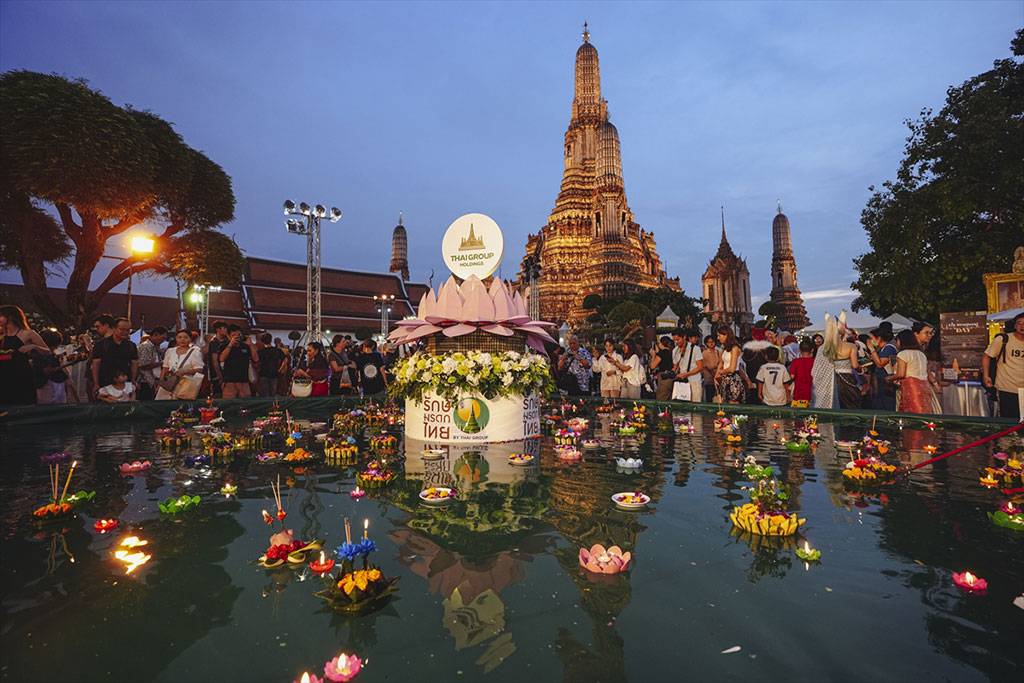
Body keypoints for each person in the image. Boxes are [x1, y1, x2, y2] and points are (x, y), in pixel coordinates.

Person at [0, 304, 50, 405]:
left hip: (20, 373)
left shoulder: (28, 333)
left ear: (10, 317)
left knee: (21, 401)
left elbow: (47, 351)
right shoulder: (2, 334)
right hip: (3, 373)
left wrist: (33, 347)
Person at [982, 312, 1024, 420]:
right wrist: (986, 376)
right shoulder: (1003, 339)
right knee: (1009, 422)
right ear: (1014, 325)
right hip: (1007, 388)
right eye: (1019, 323)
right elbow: (986, 356)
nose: (1022, 326)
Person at [90, 317, 138, 401]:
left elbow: (134, 363)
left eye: (128, 330)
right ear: (114, 328)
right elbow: (95, 365)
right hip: (105, 382)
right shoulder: (101, 345)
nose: (125, 332)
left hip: (124, 384)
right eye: (122, 329)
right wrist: (96, 383)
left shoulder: (131, 346)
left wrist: (133, 379)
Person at [893, 329, 939, 414]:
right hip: (924, 386)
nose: (896, 344)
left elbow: (901, 374)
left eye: (897, 341)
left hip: (911, 387)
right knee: (924, 410)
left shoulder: (902, 354)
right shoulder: (921, 354)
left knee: (913, 412)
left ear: (901, 341)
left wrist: (889, 378)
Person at [156, 330, 205, 400]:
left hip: (185, 386)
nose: (182, 339)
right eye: (179, 337)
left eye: (185, 337)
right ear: (176, 338)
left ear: (190, 339)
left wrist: (185, 371)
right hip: (169, 383)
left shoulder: (195, 351)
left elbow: (199, 369)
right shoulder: (170, 351)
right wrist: (160, 383)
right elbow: (165, 368)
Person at [35, 329, 72, 405]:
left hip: (51, 383)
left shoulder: (42, 354)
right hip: (49, 384)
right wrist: (65, 365)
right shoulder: (44, 355)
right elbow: (47, 370)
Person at [218, 324, 256, 398]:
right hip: (230, 381)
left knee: (246, 405)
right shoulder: (223, 345)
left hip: (244, 381)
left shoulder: (245, 346)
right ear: (229, 336)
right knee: (228, 405)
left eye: (238, 335)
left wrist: (251, 345)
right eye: (234, 335)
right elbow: (221, 359)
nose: (237, 337)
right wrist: (231, 344)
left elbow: (256, 359)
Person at [867, 327, 898, 411]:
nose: (869, 341)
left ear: (879, 338)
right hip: (881, 380)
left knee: (886, 404)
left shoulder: (889, 348)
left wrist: (871, 349)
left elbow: (880, 364)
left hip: (886, 380)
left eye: (871, 338)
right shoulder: (882, 349)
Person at [672, 328, 704, 402]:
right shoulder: (675, 350)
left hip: (694, 381)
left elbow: (700, 367)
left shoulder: (695, 349)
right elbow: (675, 367)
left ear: (684, 337)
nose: (676, 342)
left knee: (695, 405)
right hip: (682, 383)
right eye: (674, 340)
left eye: (678, 339)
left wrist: (686, 374)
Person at [136, 326, 167, 401]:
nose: (163, 341)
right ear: (155, 335)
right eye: (162, 338)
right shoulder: (146, 346)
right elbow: (143, 365)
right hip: (145, 381)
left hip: (153, 380)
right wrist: (161, 363)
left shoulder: (155, 347)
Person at [715, 326, 744, 404]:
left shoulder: (735, 348)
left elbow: (732, 368)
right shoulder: (724, 348)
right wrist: (716, 375)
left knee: (733, 403)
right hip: (725, 379)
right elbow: (721, 363)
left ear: (726, 335)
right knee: (724, 404)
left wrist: (721, 372)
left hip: (733, 379)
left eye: (719, 336)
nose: (718, 338)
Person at [256, 333, 286, 397]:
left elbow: (256, 362)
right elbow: (285, 359)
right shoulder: (277, 350)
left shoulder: (260, 352)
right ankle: (273, 406)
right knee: (273, 393)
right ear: (271, 340)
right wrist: (280, 368)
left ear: (262, 341)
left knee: (265, 394)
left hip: (263, 373)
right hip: (274, 373)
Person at [788, 339, 815, 408]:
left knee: (797, 416)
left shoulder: (795, 362)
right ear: (812, 350)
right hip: (812, 394)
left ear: (800, 350)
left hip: (798, 394)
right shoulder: (815, 362)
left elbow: (792, 376)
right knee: (811, 417)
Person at [206, 321, 229, 397]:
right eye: (224, 328)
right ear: (218, 330)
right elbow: (215, 361)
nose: (226, 330)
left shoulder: (227, 342)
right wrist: (220, 376)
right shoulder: (214, 343)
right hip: (217, 376)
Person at [651, 336, 675, 401]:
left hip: (663, 378)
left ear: (661, 344)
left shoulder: (662, 353)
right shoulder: (672, 351)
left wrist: (653, 355)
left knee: (661, 398)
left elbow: (652, 366)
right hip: (671, 377)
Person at [701, 334, 721, 402]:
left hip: (718, 378)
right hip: (709, 378)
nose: (711, 343)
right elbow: (705, 366)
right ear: (706, 343)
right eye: (709, 342)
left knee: (718, 397)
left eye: (712, 341)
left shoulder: (718, 352)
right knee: (709, 398)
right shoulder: (704, 353)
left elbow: (721, 363)